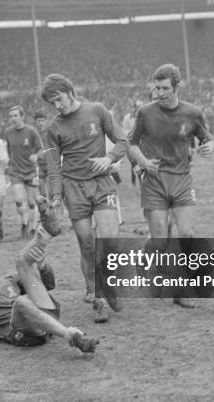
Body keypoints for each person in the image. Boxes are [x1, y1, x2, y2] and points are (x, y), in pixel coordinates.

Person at [0, 195, 98, 353]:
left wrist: (42, 266)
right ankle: (71, 336)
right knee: (20, 302)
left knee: (21, 262)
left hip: (45, 317)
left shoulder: (9, 279)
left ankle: (46, 234)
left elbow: (49, 285)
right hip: (21, 333)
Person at [41, 73, 126, 323]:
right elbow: (53, 166)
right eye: (52, 103)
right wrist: (56, 196)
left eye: (59, 99)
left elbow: (122, 141)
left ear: (70, 92)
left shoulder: (97, 110)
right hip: (73, 188)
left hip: (102, 183)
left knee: (109, 241)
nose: (57, 106)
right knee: (87, 245)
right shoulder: (52, 128)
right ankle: (97, 296)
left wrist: (109, 159)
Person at [128, 64, 214, 308]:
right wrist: (144, 161)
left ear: (176, 87)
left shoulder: (193, 112)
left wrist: (209, 146)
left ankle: (180, 290)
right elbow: (131, 144)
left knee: (186, 234)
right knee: (160, 242)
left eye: (165, 88)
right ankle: (144, 256)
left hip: (181, 180)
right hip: (154, 182)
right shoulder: (145, 112)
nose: (160, 93)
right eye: (157, 88)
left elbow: (206, 138)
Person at [4, 106, 44, 238]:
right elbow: (9, 150)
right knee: (18, 200)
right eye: (11, 116)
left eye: (15, 116)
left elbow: (41, 149)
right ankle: (24, 219)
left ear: (22, 117)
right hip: (15, 171)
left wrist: (36, 156)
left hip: (31, 171)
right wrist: (9, 163)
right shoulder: (8, 132)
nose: (13, 118)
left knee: (32, 202)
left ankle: (33, 226)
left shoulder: (31, 131)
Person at [122, 100, 144, 187]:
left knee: (141, 164)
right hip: (132, 143)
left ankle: (141, 183)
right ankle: (135, 181)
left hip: (143, 144)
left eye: (141, 106)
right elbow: (124, 130)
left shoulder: (145, 116)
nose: (139, 108)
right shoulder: (128, 118)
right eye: (138, 107)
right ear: (135, 107)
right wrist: (132, 132)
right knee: (134, 164)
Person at [33, 111, 50, 197]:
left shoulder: (51, 132)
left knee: (53, 193)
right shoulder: (33, 134)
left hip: (51, 165)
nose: (40, 123)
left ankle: (56, 209)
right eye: (38, 121)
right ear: (35, 122)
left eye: (42, 120)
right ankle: (45, 210)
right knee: (42, 193)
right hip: (39, 167)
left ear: (46, 121)